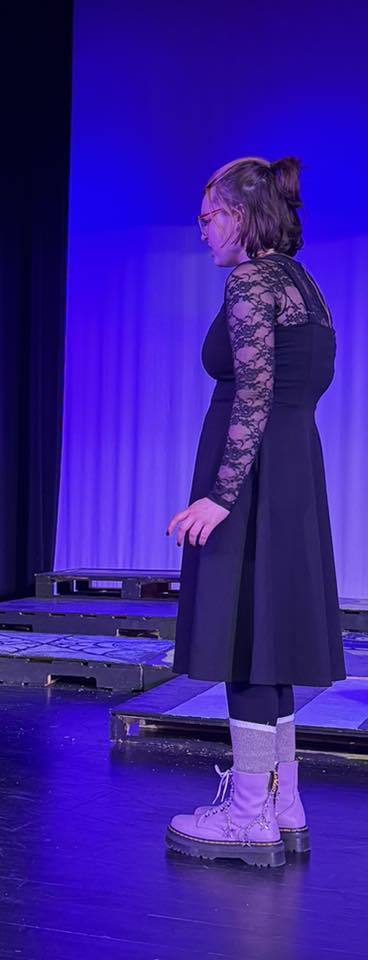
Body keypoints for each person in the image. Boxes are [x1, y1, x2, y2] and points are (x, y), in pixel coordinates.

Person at [165, 157, 345, 867]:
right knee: (269, 641)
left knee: (244, 639)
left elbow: (254, 396)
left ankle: (248, 815)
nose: (203, 231)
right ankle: (282, 803)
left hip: (253, 476)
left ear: (238, 216)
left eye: (208, 217)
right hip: (292, 473)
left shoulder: (251, 283)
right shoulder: (306, 285)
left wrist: (221, 491)